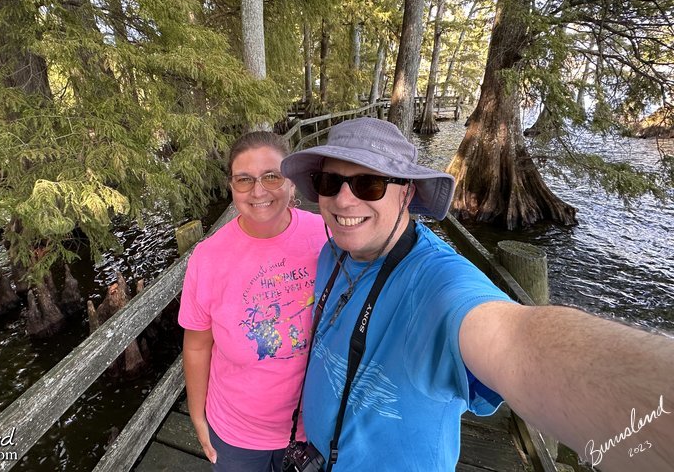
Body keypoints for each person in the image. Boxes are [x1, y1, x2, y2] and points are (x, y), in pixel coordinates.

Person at [281, 117, 674, 472]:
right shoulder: (333, 251)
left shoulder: (437, 282)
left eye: (370, 183)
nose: (344, 200)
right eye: (330, 182)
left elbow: (514, 341)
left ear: (406, 193)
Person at [178, 131, 327, 472]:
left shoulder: (328, 235)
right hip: (236, 435)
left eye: (271, 176)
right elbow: (198, 346)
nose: (258, 191)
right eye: (244, 180)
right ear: (232, 187)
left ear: (292, 183)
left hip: (317, 426)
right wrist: (197, 414)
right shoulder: (208, 258)